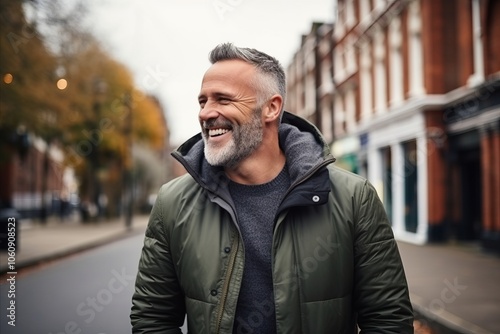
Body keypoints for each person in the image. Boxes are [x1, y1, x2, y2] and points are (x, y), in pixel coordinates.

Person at [130, 43, 414, 333]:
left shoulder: (354, 199)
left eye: (223, 99)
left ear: (271, 107)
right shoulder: (173, 202)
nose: (206, 113)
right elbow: (152, 318)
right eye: (203, 102)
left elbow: (388, 319)